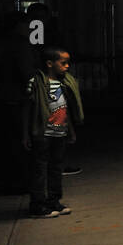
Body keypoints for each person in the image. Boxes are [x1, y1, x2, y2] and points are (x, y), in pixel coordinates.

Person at [22, 46, 82, 218]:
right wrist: (25, 134)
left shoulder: (64, 83)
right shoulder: (37, 82)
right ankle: (38, 204)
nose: (67, 66)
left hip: (59, 132)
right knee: (40, 169)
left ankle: (53, 200)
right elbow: (27, 107)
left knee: (56, 168)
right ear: (49, 64)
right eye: (63, 63)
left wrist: (70, 129)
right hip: (42, 133)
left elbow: (65, 109)